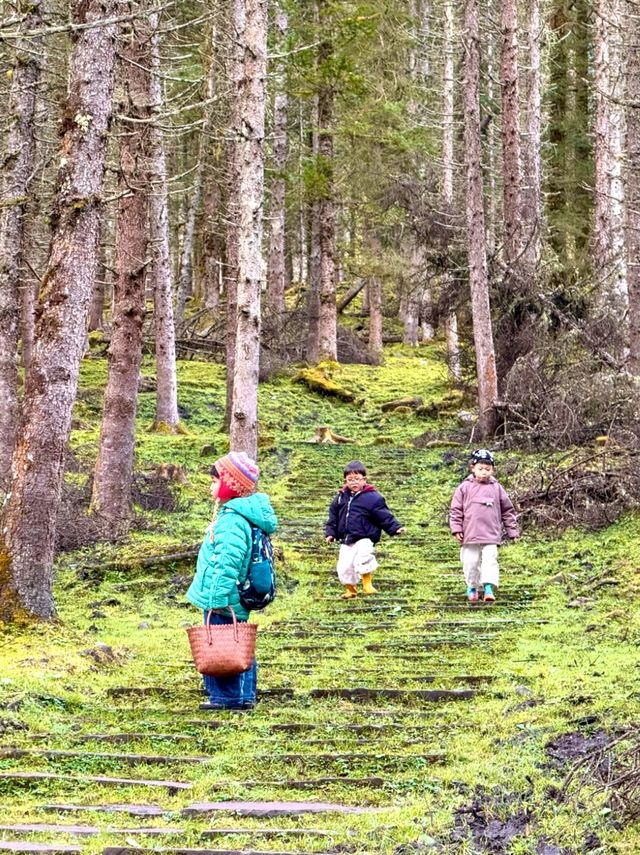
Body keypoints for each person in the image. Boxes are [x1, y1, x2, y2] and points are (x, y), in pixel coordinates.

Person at [187, 452, 278, 710]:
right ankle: (245, 695)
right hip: (235, 594)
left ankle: (227, 697)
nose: (210, 486)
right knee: (240, 641)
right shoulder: (241, 515)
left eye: (215, 481)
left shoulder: (231, 520)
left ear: (230, 484)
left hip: (225, 595)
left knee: (220, 643)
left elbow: (227, 561)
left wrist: (216, 597)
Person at [325, 460, 405, 599]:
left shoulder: (373, 498)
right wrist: (331, 533)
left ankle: (367, 583)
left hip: (365, 536)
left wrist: (395, 527)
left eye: (357, 479)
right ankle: (351, 589)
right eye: (350, 480)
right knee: (344, 566)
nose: (354, 482)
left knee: (363, 557)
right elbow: (333, 517)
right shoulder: (340, 498)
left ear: (364, 479)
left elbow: (383, 515)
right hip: (347, 538)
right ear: (345, 481)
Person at [449, 448, 519, 604]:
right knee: (471, 562)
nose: (484, 472)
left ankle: (488, 587)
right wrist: (456, 528)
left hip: (491, 534)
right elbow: (455, 510)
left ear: (493, 470)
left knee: (490, 559)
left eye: (487, 469)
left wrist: (512, 531)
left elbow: (508, 510)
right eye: (480, 469)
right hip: (470, 534)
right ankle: (472, 586)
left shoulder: (497, 488)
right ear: (473, 468)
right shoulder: (464, 487)